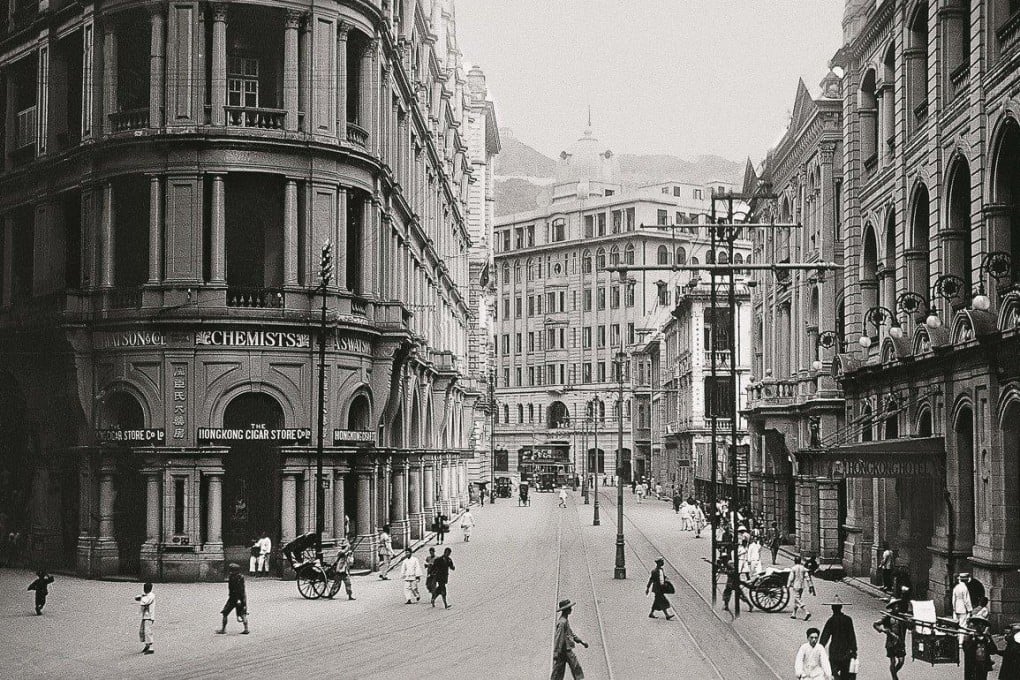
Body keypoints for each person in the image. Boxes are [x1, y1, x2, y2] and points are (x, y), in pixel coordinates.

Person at [819, 595, 857, 680]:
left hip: (834, 652)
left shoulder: (831, 621)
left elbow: (824, 637)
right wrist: (854, 651)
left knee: (834, 673)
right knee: (846, 675)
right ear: (841, 607)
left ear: (832, 608)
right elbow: (852, 636)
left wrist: (819, 650)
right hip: (846, 652)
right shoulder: (848, 620)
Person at [551, 598, 589, 680]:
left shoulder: (565, 620)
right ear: (565, 610)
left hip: (566, 650)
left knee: (575, 667)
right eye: (569, 608)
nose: (571, 609)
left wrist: (581, 641)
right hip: (563, 651)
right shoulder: (562, 622)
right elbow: (558, 637)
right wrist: (557, 652)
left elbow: (570, 633)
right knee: (558, 671)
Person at [873, 598, 908, 680]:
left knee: (901, 661)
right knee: (893, 661)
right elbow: (875, 624)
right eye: (895, 607)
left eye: (898, 606)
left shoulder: (902, 617)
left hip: (900, 642)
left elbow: (909, 626)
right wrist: (883, 630)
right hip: (891, 642)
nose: (897, 608)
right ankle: (894, 678)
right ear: (892, 608)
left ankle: (894, 672)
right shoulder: (887, 617)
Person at [216, 563, 249, 634]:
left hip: (234, 598)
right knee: (242, 614)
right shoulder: (240, 577)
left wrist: (238, 599)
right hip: (239, 598)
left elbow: (237, 590)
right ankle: (246, 629)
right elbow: (242, 590)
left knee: (225, 613)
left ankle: (223, 629)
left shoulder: (233, 577)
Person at [963, 616, 999, 680]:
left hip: (983, 665)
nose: (983, 627)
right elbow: (967, 650)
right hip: (972, 665)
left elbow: (993, 651)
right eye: (980, 625)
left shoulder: (987, 637)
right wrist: (973, 639)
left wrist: (988, 639)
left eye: (984, 626)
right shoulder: (969, 637)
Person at [789, 555, 814, 621]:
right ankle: (794, 614)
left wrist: (788, 585)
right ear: (800, 561)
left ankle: (806, 612)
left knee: (798, 600)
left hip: (796, 585)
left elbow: (791, 578)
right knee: (797, 599)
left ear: (795, 561)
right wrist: (810, 586)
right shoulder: (803, 568)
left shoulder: (793, 568)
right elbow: (807, 578)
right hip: (802, 586)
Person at [134, 582, 155, 654]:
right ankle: (147, 645)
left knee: (148, 631)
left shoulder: (151, 596)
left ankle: (151, 648)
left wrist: (141, 598)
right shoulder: (146, 595)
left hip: (149, 616)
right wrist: (140, 597)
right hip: (145, 616)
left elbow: (144, 602)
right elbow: (139, 597)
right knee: (142, 631)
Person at [954, 573, 975, 642]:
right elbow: (966, 600)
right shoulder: (965, 588)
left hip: (957, 607)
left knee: (957, 624)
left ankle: (957, 639)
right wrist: (970, 610)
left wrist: (954, 608)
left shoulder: (956, 587)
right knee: (963, 625)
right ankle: (961, 641)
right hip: (963, 608)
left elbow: (953, 599)